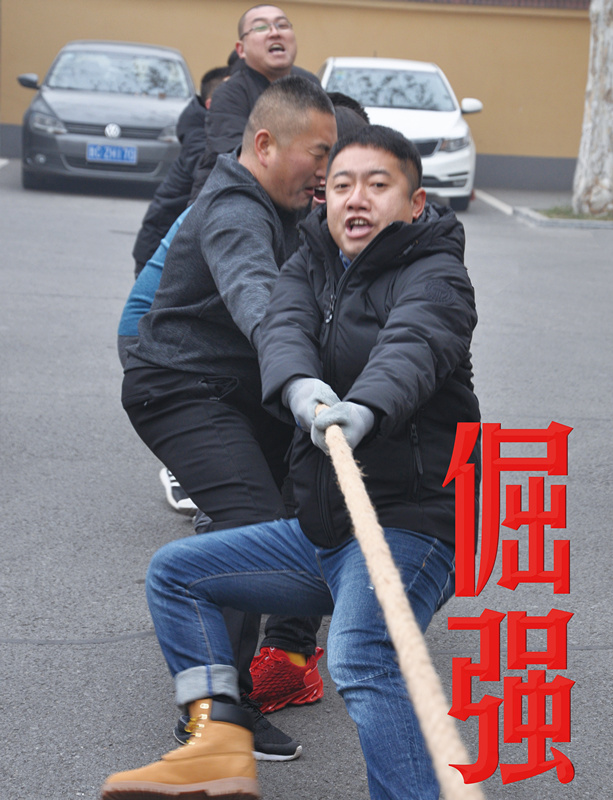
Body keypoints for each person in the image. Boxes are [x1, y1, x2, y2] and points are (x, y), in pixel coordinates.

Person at [101, 125, 480, 800]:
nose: (356, 198)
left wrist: (365, 408)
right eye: (341, 185)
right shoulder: (309, 264)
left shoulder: (438, 275)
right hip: (325, 531)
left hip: (413, 525)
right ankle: (217, 739)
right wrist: (297, 384)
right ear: (323, 199)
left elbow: (414, 346)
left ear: (415, 202)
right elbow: (282, 328)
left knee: (362, 652)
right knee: (179, 575)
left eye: (377, 185)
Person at [120, 76, 337, 760]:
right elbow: (256, 293)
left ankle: (289, 656)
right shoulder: (234, 207)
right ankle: (215, 713)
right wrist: (298, 374)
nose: (327, 171)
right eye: (319, 153)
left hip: (244, 394)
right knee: (248, 526)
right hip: (180, 388)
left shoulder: (293, 208)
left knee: (311, 503)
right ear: (265, 144)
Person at [189, 4, 319, 202]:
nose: (275, 32)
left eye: (282, 25)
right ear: (241, 49)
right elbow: (239, 160)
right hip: (233, 200)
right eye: (260, 27)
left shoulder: (310, 84)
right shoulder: (229, 93)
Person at [132, 66, 230, 277]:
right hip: (158, 249)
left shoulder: (209, 127)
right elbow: (210, 172)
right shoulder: (200, 136)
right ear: (211, 104)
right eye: (235, 97)